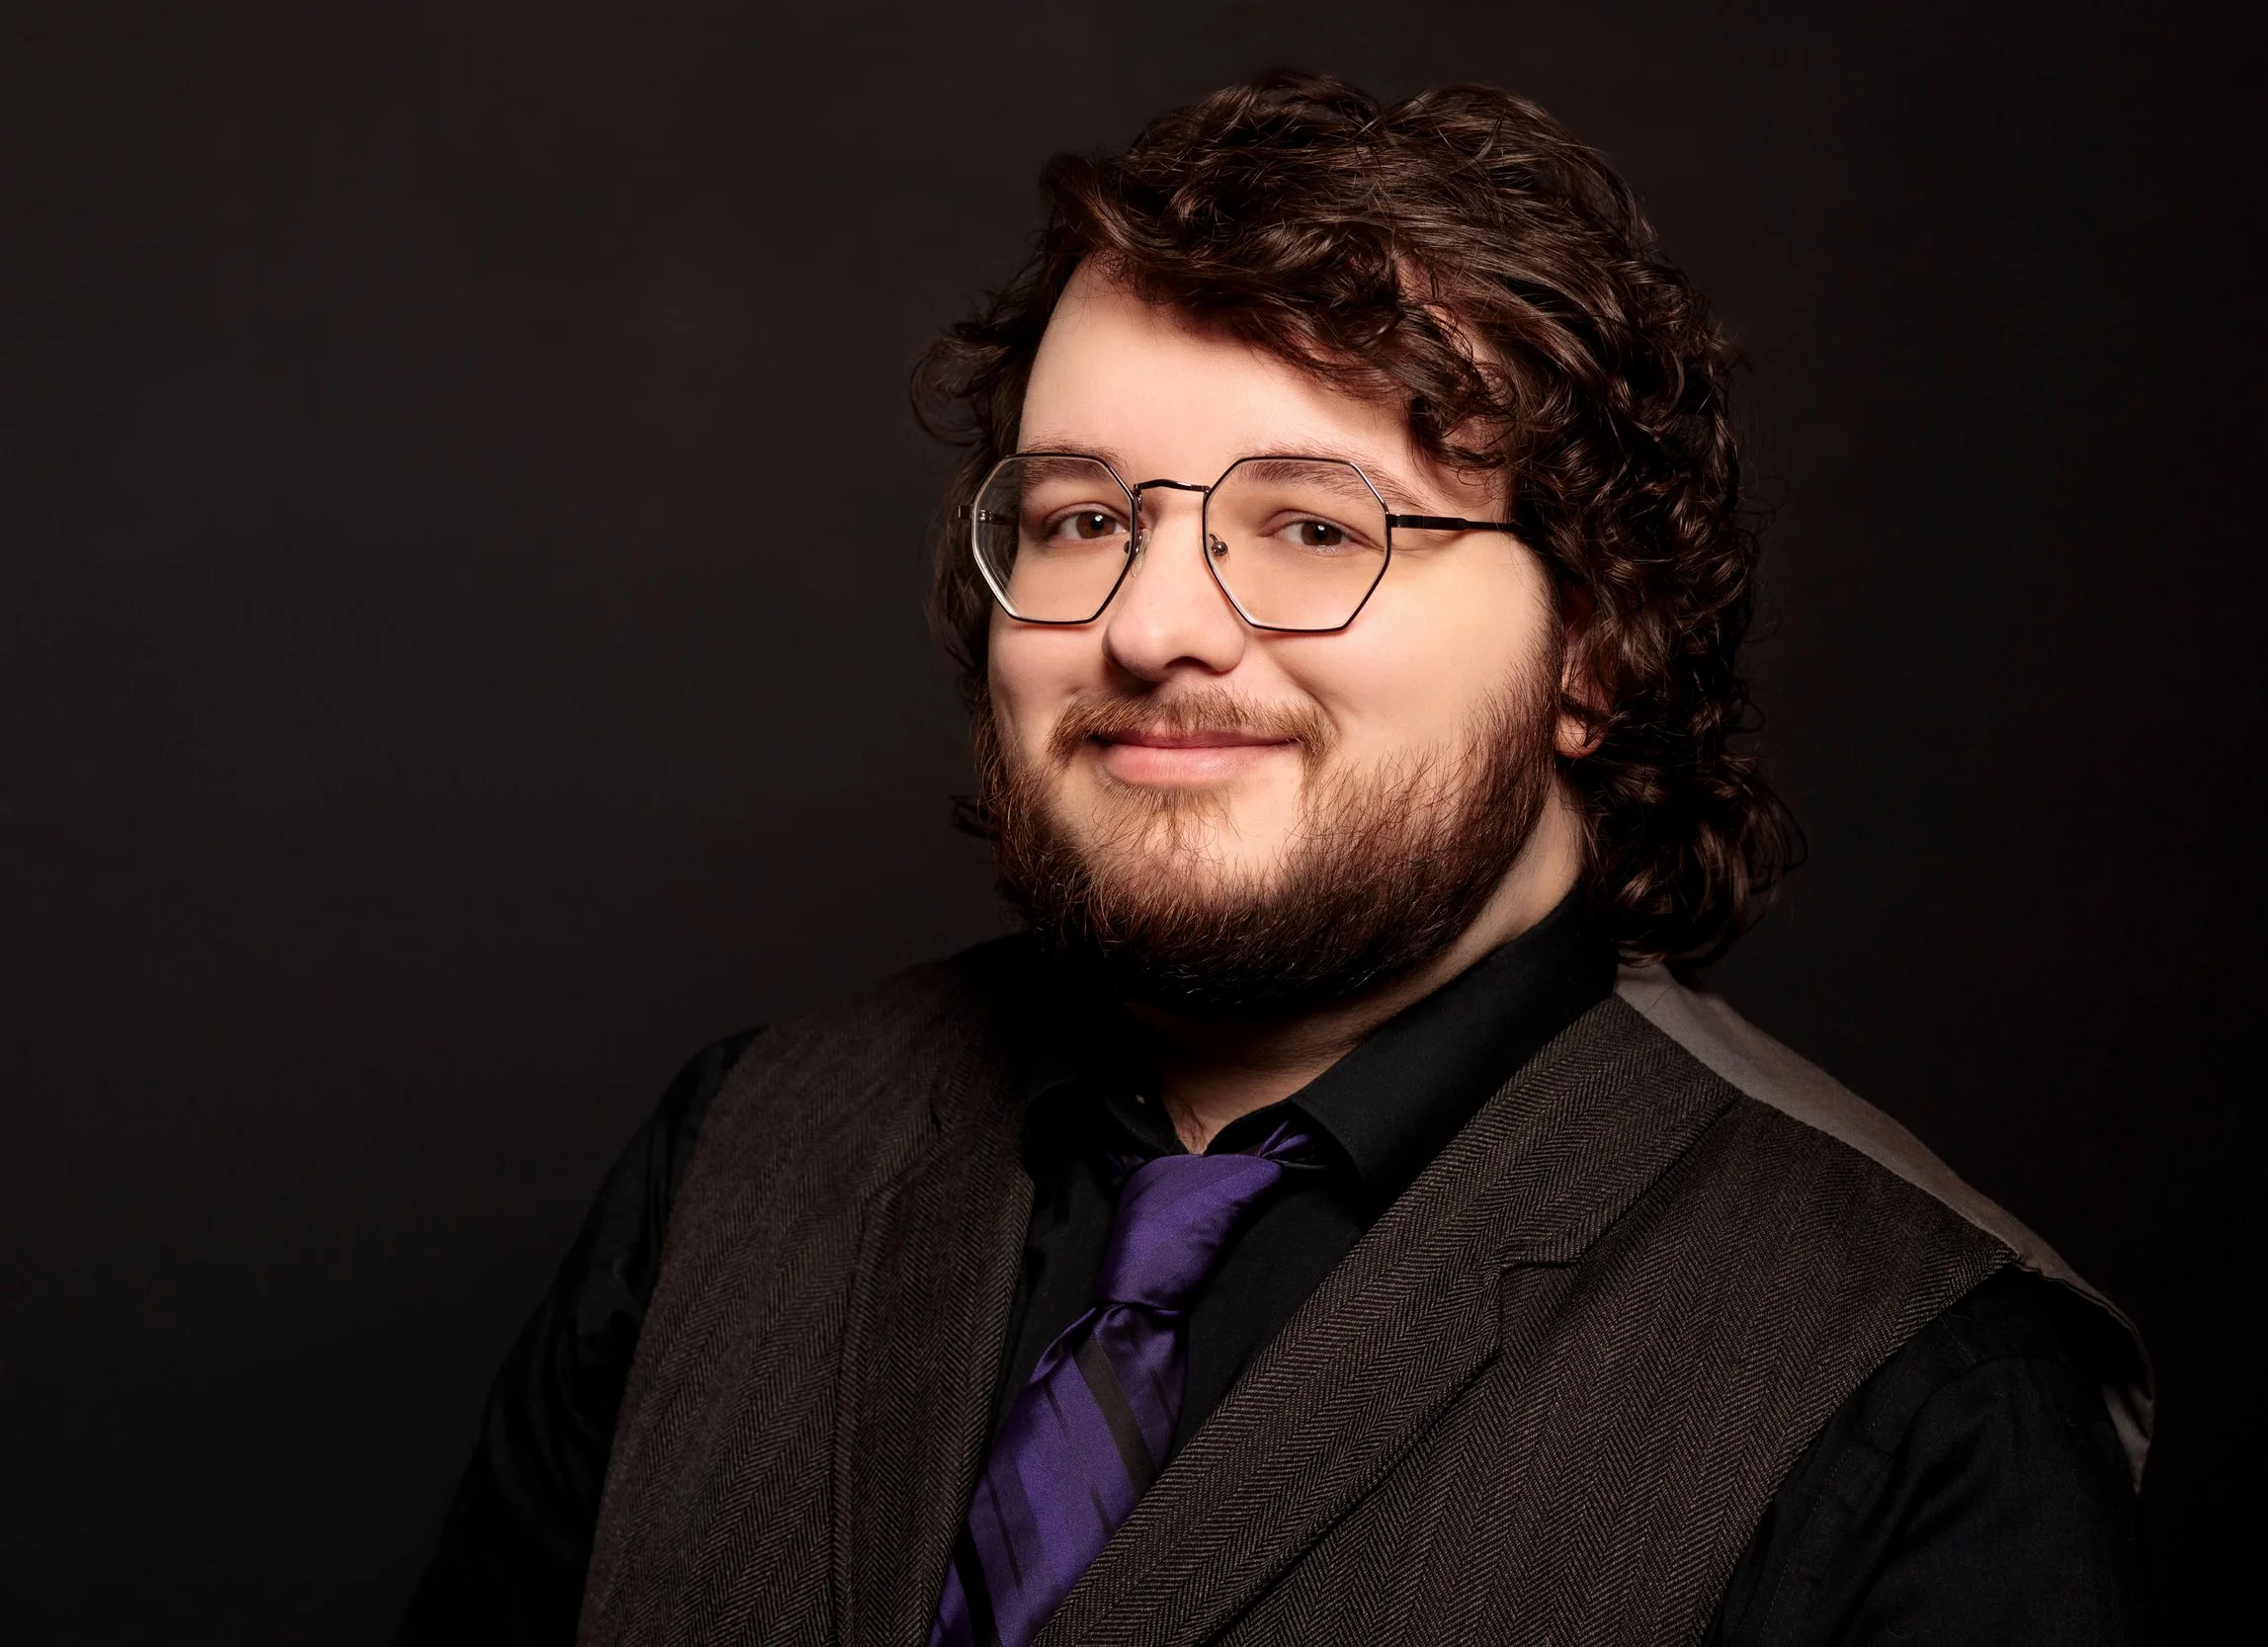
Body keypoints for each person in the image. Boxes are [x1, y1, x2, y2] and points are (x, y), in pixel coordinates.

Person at [399, 72, 2149, 1647]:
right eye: (1086, 517)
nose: (1153, 623)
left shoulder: (1918, 1390)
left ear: (1597, 648)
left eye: (1313, 525)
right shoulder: (739, 1159)